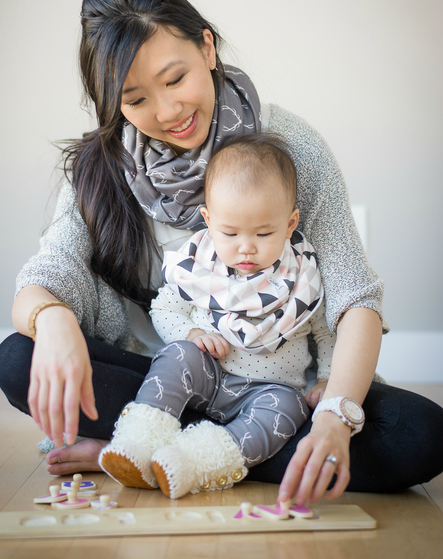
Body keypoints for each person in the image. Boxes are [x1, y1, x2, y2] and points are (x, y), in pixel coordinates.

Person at [0, 0, 443, 507]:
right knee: (18, 358)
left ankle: (155, 451)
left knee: (423, 434)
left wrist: (334, 417)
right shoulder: (100, 169)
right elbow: (42, 281)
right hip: (160, 381)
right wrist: (56, 318)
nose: (166, 112)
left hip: (282, 390)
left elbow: (355, 301)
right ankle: (192, 447)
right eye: (134, 99)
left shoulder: (289, 147)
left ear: (207, 47)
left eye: (174, 78)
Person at [99, 135, 339, 499]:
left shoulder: (303, 277)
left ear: (290, 224)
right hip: (207, 374)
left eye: (264, 233)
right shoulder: (197, 266)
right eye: (230, 232)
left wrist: (326, 378)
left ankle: (194, 462)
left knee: (287, 414)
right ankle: (141, 439)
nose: (246, 246)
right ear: (209, 221)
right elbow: (164, 309)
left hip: (270, 391)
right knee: (178, 356)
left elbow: (327, 333)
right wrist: (192, 332)